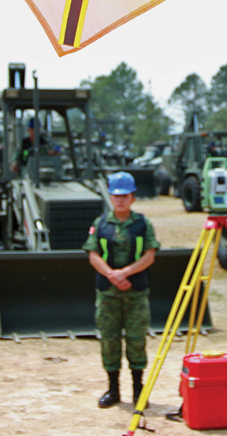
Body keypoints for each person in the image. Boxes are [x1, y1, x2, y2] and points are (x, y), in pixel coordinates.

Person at [82, 171, 160, 408]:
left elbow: (150, 255)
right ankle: (113, 389)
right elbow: (93, 255)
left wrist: (125, 273)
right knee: (110, 340)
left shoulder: (143, 224)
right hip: (108, 293)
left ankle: (138, 391)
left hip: (135, 292)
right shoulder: (101, 223)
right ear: (111, 197)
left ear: (133, 197)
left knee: (137, 340)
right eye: (116, 196)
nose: (120, 200)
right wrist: (112, 275)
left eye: (125, 196)